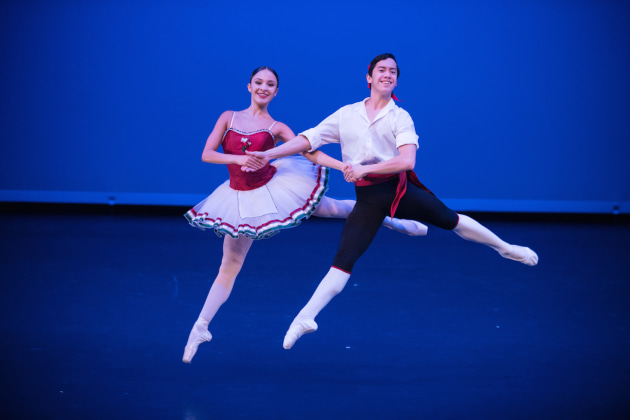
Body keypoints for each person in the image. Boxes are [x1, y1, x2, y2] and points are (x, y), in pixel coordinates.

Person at [244, 54, 538, 350]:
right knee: (343, 260)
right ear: (369, 77)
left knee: (450, 219)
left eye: (393, 71)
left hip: (398, 191)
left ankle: (505, 248)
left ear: (396, 79)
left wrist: (365, 169)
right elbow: (309, 139)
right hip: (369, 201)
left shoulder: (400, 117)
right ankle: (304, 318)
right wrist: (267, 155)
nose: (388, 74)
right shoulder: (347, 114)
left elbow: (407, 160)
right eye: (382, 70)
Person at [182, 65, 428, 363]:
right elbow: (207, 154)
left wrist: (343, 166)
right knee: (230, 265)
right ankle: (201, 326)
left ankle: (393, 219)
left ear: (276, 91)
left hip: (276, 186)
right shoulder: (228, 117)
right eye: (258, 82)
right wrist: (244, 158)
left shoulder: (277, 128)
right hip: (238, 197)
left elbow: (306, 147)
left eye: (270, 84)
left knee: (333, 208)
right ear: (249, 86)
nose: (264, 87)